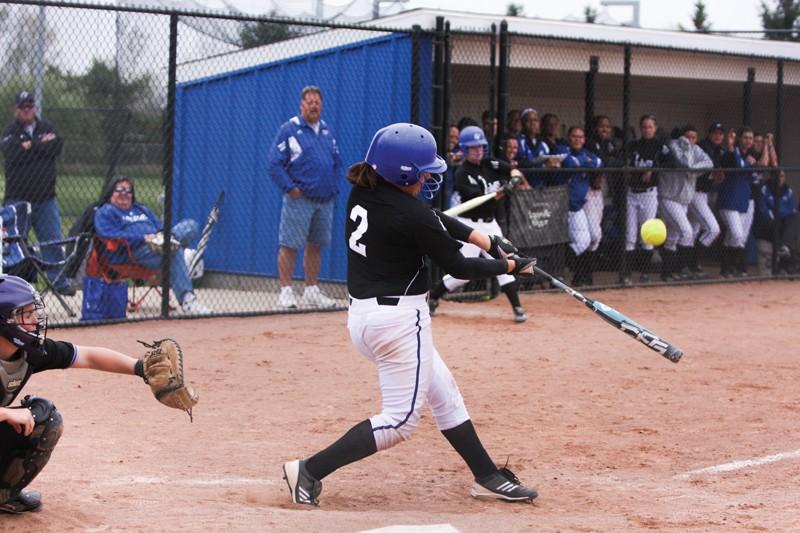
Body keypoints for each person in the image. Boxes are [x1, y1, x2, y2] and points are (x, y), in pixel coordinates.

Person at [282, 123, 538, 507]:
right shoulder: (410, 215)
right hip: (400, 323)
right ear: (402, 174)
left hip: (366, 318)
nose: (428, 178)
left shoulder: (364, 192)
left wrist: (485, 239)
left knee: (445, 395)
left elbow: (433, 217)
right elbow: (460, 266)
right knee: (400, 421)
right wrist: (509, 267)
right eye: (422, 173)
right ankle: (309, 470)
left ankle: (486, 475)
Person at [0, 274, 150, 513]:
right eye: (25, 315)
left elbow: (86, 356)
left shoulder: (31, 353)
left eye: (33, 313)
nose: (34, 321)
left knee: (45, 417)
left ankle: (3, 494)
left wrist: (140, 368)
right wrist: (6, 413)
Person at [428, 125, 529, 323]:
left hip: (491, 225)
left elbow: (513, 170)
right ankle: (433, 295)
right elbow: (484, 199)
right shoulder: (462, 174)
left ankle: (517, 307)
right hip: (469, 226)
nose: (478, 151)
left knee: (505, 261)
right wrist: (503, 192)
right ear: (465, 150)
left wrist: (515, 179)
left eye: (480, 146)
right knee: (462, 274)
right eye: (473, 148)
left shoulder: (490, 163)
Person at [269, 86, 343, 309]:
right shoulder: (289, 130)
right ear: (301, 105)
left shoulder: (327, 131)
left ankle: (311, 290)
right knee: (289, 244)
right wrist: (290, 188)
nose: (314, 105)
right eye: (309, 102)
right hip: (299, 199)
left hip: (325, 200)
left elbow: (337, 162)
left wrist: (335, 187)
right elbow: (274, 164)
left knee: (316, 246)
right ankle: (286, 292)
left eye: (317, 102)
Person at [93, 175, 209, 314]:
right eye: (120, 189)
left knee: (190, 226)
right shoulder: (106, 211)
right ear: (111, 192)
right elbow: (108, 234)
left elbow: (159, 226)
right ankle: (188, 300)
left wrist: (160, 236)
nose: (124, 193)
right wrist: (142, 238)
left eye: (128, 190)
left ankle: (168, 242)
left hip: (157, 243)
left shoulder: (141, 209)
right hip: (135, 253)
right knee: (173, 251)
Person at [0, 91, 74, 296]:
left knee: (52, 240)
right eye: (23, 107)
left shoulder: (46, 127)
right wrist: (40, 145)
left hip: (45, 199)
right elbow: (11, 153)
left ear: (34, 107)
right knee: (12, 245)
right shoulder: (10, 131)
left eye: (30, 106)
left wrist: (30, 146)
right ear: (16, 110)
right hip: (17, 199)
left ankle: (58, 282)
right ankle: (11, 285)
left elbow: (56, 146)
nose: (27, 110)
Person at [619, 114, 675, 286]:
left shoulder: (660, 146)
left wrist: (653, 169)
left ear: (655, 128)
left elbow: (672, 163)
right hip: (632, 193)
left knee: (647, 235)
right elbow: (620, 160)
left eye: (650, 126)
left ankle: (644, 273)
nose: (647, 129)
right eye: (644, 126)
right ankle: (626, 274)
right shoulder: (633, 145)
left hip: (649, 194)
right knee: (630, 235)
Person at [658, 125, 713, 281]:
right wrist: (687, 151)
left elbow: (709, 163)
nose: (690, 141)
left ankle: (667, 273)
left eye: (693, 138)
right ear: (681, 137)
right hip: (669, 197)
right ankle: (682, 269)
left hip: (684, 199)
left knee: (673, 236)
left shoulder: (696, 150)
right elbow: (684, 163)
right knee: (686, 231)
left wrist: (692, 169)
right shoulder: (673, 145)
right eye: (687, 137)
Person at [554, 126, 604, 286]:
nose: (577, 139)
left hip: (577, 207)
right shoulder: (562, 149)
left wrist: (583, 162)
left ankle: (562, 267)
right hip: (559, 207)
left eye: (581, 137)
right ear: (569, 138)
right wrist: (585, 162)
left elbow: (599, 162)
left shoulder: (586, 153)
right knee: (557, 241)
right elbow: (570, 162)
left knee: (584, 241)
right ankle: (558, 269)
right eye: (574, 136)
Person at [718, 127, 759, 278]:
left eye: (750, 138)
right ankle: (733, 266)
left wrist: (750, 163)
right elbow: (737, 164)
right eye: (745, 137)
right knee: (736, 234)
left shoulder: (751, 156)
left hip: (742, 202)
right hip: (729, 201)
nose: (748, 140)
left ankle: (726, 269)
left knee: (733, 236)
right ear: (739, 139)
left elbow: (755, 171)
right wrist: (730, 145)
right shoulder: (734, 152)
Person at [688, 122, 725, 277]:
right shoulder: (703, 146)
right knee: (713, 229)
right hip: (695, 193)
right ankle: (694, 264)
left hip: (704, 193)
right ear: (709, 134)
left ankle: (688, 267)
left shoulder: (719, 150)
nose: (717, 136)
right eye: (715, 132)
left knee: (693, 231)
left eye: (720, 133)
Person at [754, 169, 797, 275]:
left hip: (783, 221)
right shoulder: (765, 188)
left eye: (783, 176)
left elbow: (792, 209)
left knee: (794, 219)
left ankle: (784, 248)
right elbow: (763, 209)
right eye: (779, 176)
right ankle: (783, 250)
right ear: (773, 177)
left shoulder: (787, 190)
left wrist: (781, 213)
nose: (781, 179)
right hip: (767, 224)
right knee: (778, 221)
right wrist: (779, 213)